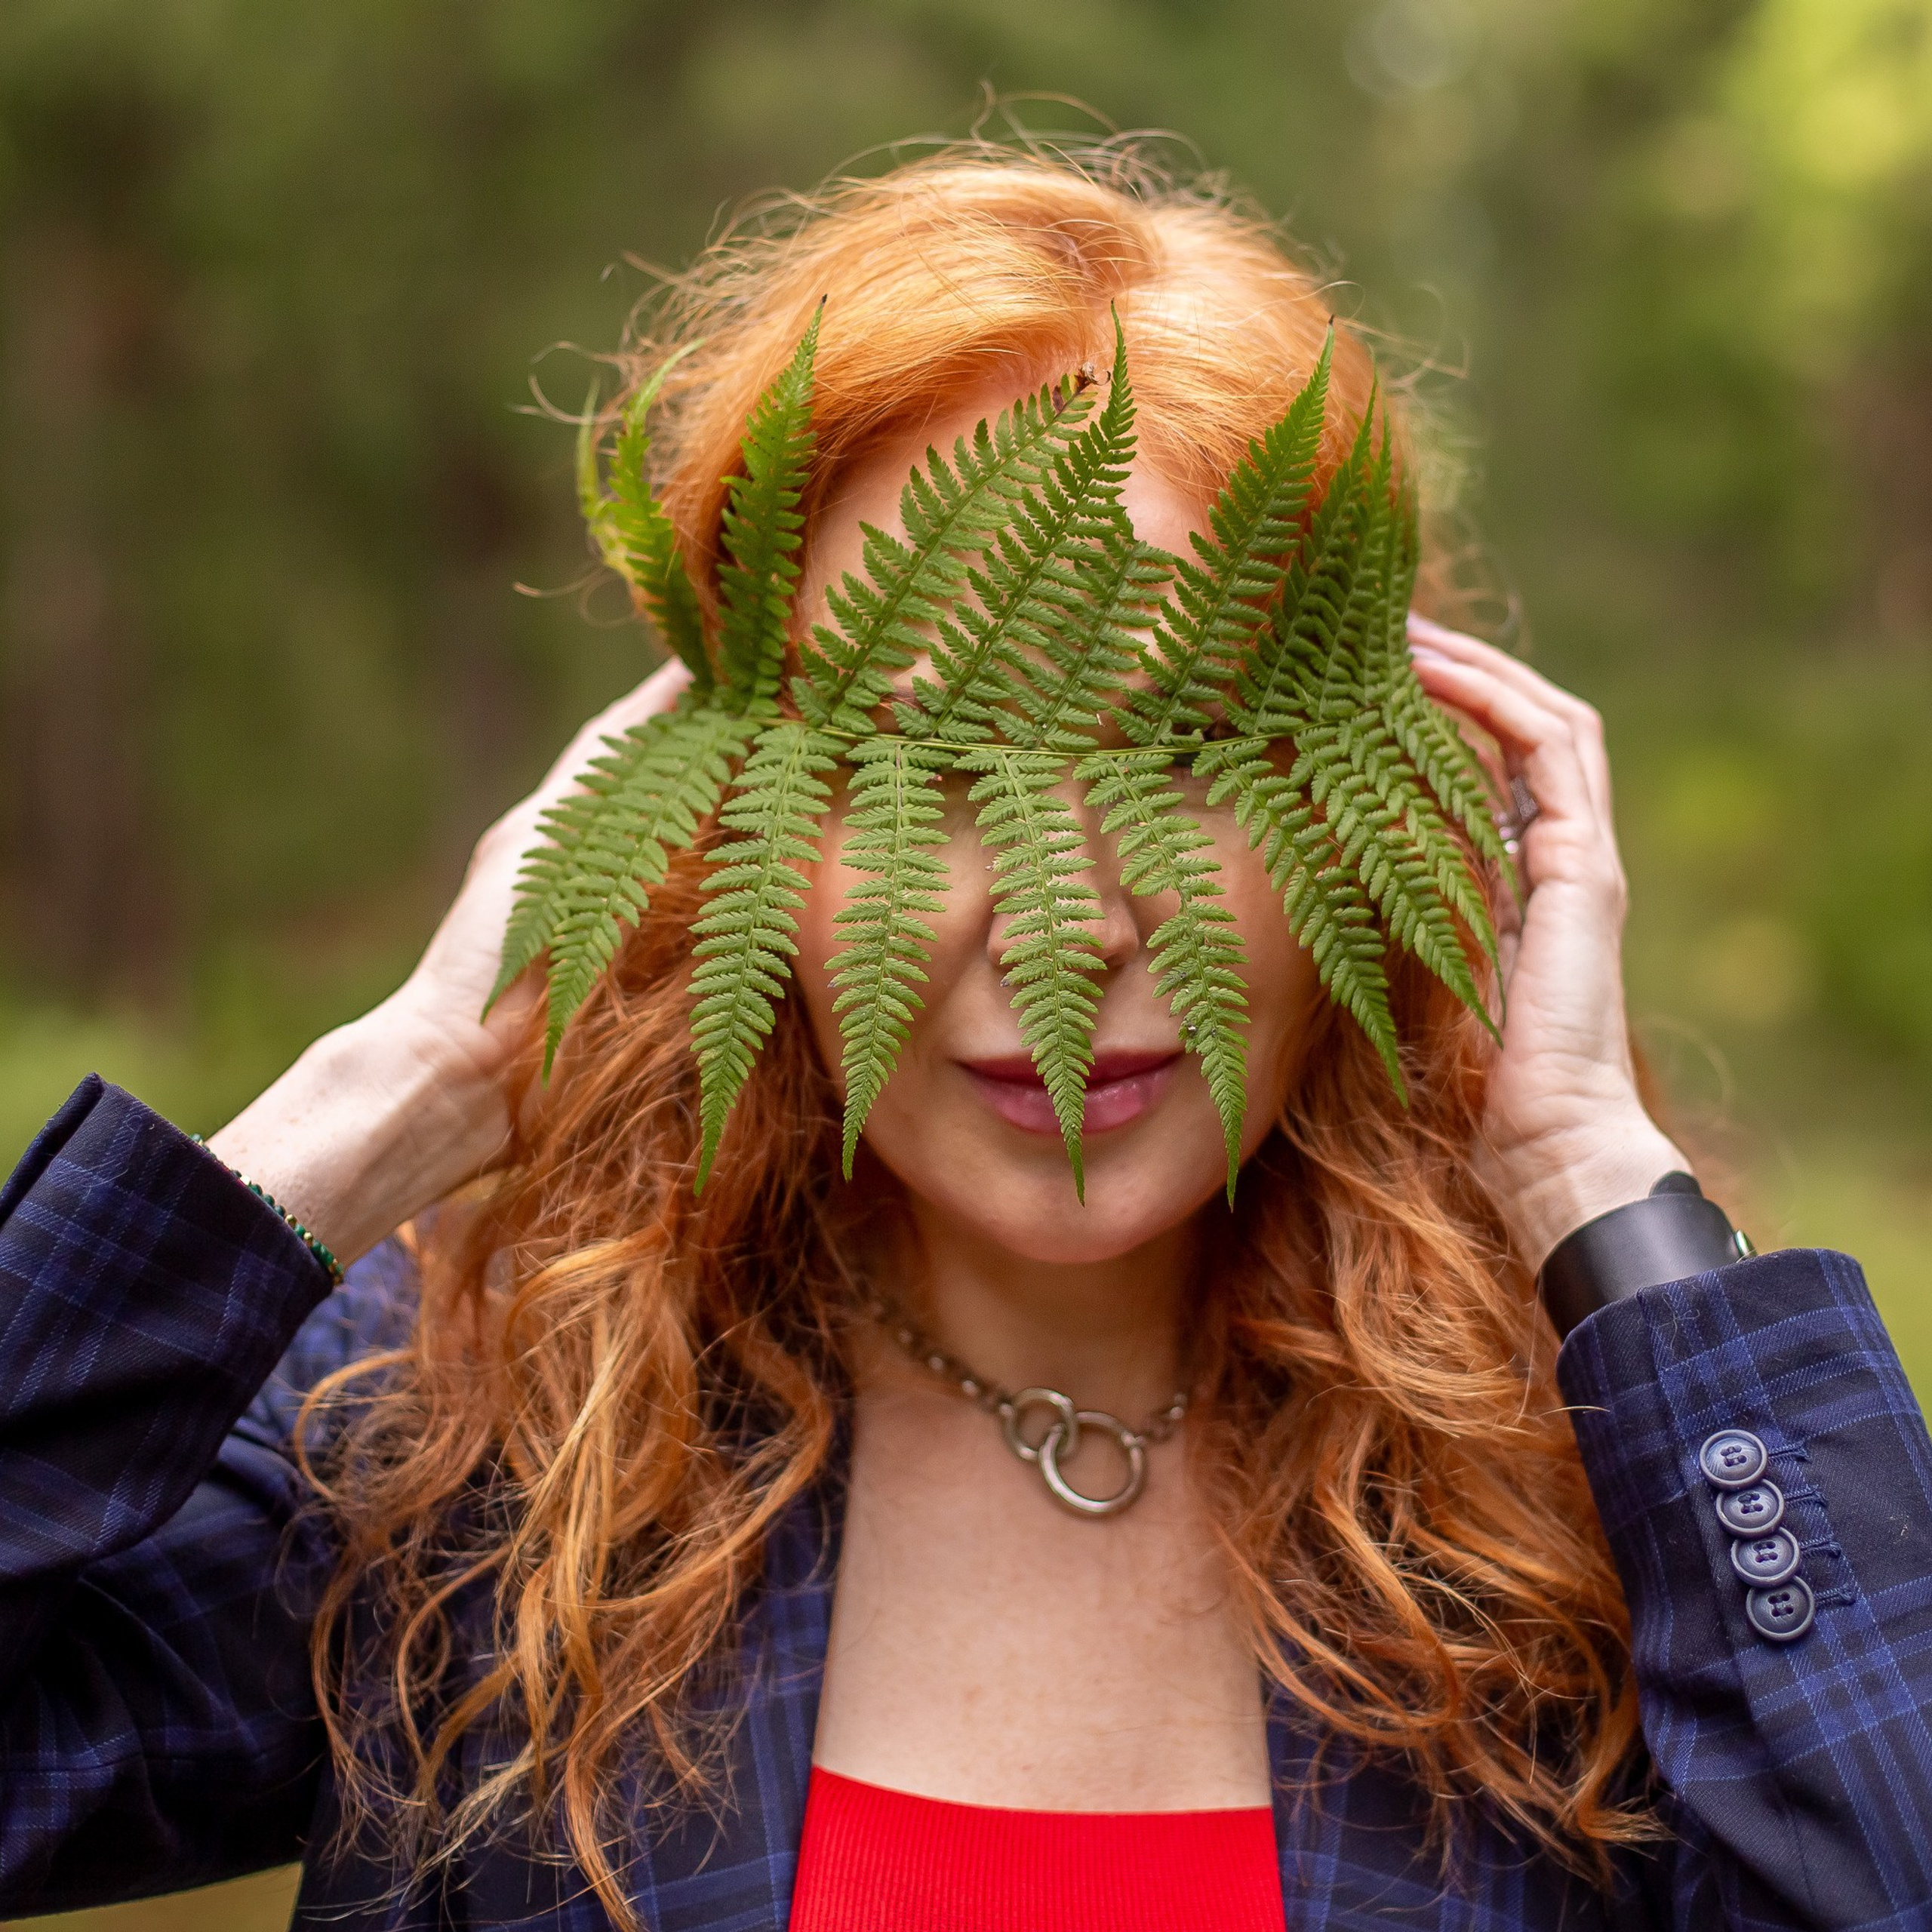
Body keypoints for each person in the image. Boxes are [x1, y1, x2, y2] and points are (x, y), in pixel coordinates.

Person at [2, 146, 1929, 1932]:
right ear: (725, 804)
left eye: (1184, 752)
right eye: (919, 770)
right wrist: (386, 1094)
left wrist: (1585, 1170)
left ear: (1366, 796)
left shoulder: (1624, 1479)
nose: (1068, 920)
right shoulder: (466, 1431)